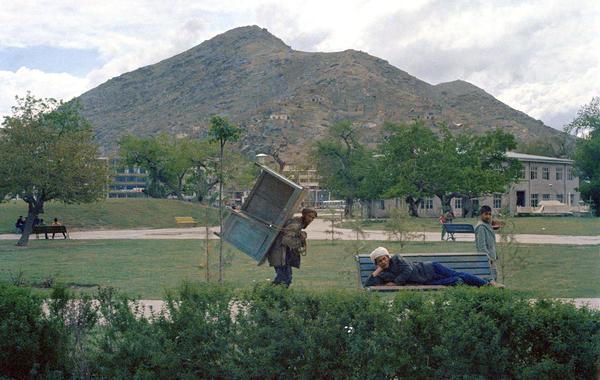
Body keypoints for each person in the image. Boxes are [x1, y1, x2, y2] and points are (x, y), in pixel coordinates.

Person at [364, 247, 503, 287]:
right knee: (457, 281)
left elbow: (408, 270)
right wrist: (377, 272)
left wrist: (396, 283)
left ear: (388, 257)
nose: (383, 262)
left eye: (384, 258)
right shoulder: (383, 273)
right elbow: (368, 285)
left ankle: (488, 284)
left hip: (432, 268)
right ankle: (484, 284)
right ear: (377, 264)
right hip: (427, 281)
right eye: (379, 261)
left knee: (459, 274)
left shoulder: (397, 259)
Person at [266, 208, 318, 287]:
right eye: (309, 216)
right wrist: (300, 240)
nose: (311, 219)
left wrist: (301, 234)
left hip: (284, 255)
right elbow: (286, 240)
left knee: (285, 279)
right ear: (304, 215)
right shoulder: (296, 224)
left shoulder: (298, 224)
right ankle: (269, 294)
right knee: (284, 278)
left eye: (313, 218)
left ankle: (275, 295)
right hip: (280, 254)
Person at [475, 205, 498, 281]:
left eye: (490, 214)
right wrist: (487, 258)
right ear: (481, 214)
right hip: (487, 258)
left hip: (492, 256)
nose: (488, 216)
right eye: (486, 214)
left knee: (494, 276)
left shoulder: (487, 225)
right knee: (489, 278)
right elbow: (481, 246)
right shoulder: (481, 227)